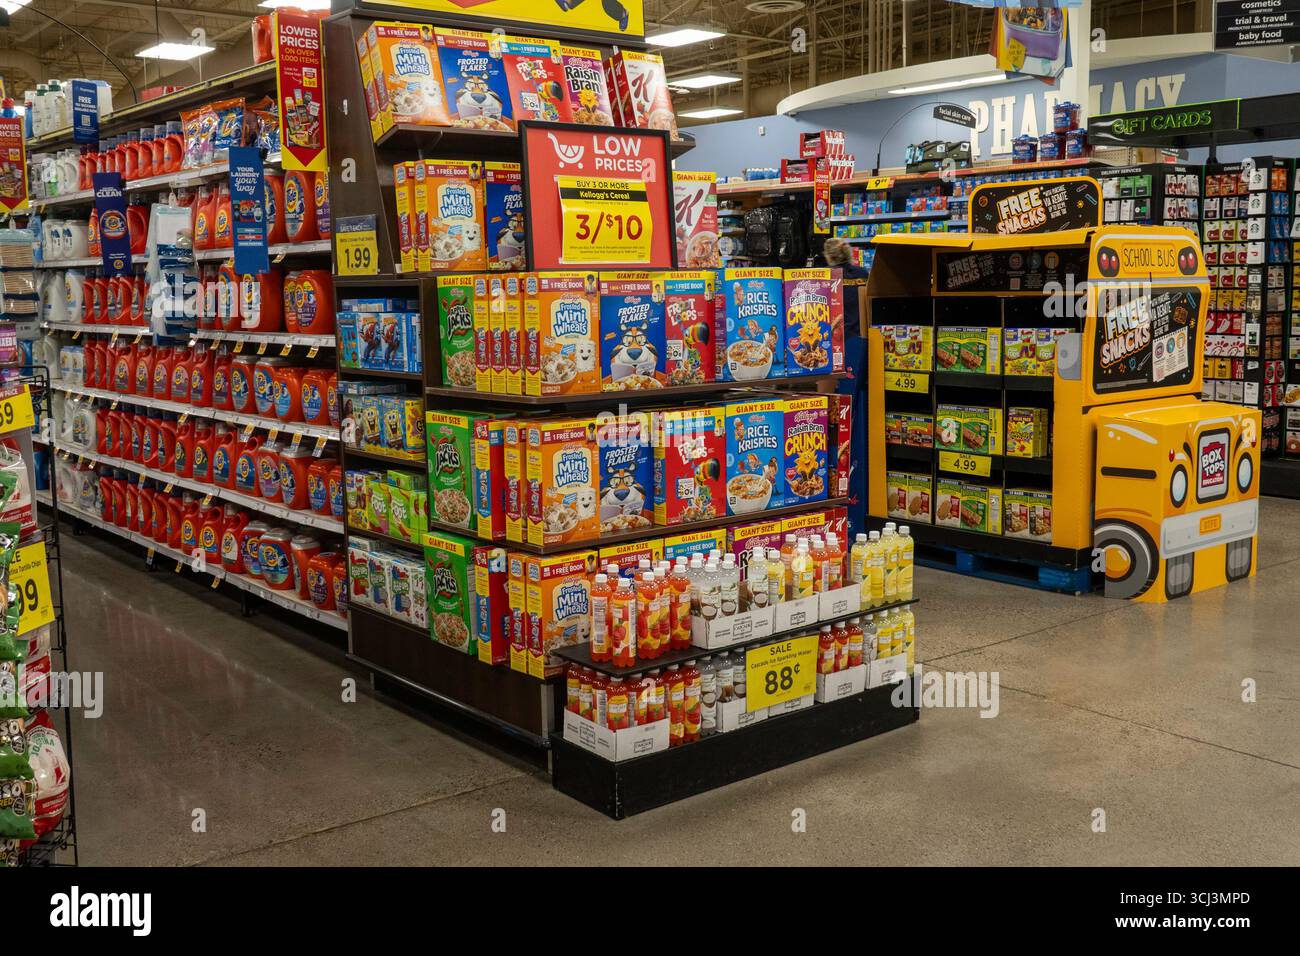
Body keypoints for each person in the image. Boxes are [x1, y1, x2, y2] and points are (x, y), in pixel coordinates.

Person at [822, 237, 870, 537]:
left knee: (840, 419)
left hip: (839, 352)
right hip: (864, 349)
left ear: (829, 257)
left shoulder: (827, 280)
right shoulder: (865, 274)